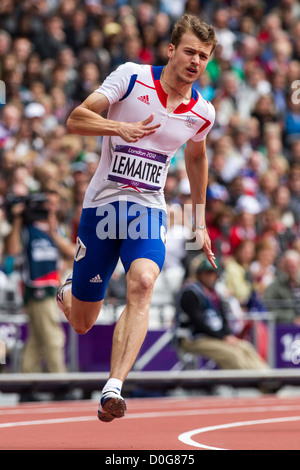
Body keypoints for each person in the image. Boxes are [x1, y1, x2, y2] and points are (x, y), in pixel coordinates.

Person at [56, 14, 218, 422]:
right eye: (189, 52)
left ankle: (114, 387)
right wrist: (117, 127)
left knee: (143, 282)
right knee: (81, 322)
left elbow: (197, 157)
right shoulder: (131, 78)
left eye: (203, 55)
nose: (195, 61)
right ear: (170, 50)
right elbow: (76, 118)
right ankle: (68, 293)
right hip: (102, 207)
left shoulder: (202, 113)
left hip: (148, 208)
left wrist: (198, 219)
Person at [5, 189, 75, 373]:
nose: (51, 207)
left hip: (52, 287)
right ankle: (60, 380)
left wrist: (53, 232)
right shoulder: (27, 229)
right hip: (36, 288)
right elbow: (12, 251)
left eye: (54, 204)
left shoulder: (56, 229)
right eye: (46, 204)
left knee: (35, 340)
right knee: (54, 337)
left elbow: (71, 252)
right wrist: (18, 220)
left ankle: (27, 381)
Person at [176, 253, 269, 370]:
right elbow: (199, 323)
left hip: (213, 336)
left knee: (245, 347)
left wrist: (228, 335)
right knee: (232, 354)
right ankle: (259, 383)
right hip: (193, 338)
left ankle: (268, 378)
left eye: (213, 273)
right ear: (200, 274)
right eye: (207, 273)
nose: (211, 276)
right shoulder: (190, 293)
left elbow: (223, 319)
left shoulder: (215, 294)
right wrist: (222, 338)